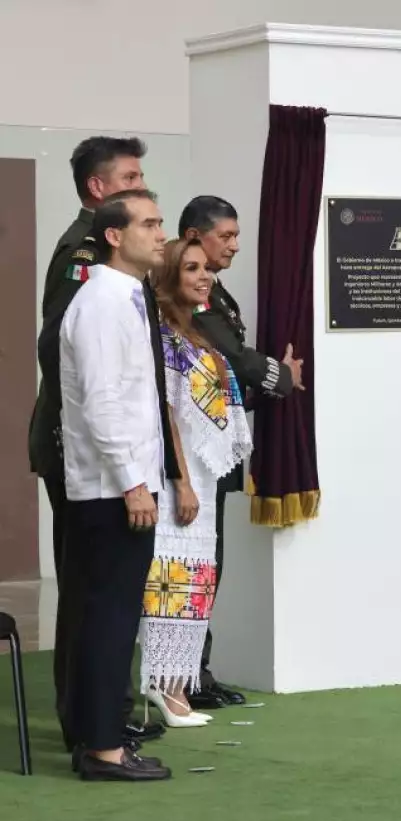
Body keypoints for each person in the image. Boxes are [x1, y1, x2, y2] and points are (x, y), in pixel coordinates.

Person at [29, 136, 173, 752]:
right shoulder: (85, 259)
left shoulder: (123, 277)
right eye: (132, 179)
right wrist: (117, 467)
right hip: (84, 450)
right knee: (94, 596)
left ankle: (104, 714)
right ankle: (88, 721)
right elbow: (77, 367)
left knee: (110, 596)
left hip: (112, 454)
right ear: (100, 190)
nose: (143, 190)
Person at [59, 188, 172, 780]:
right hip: (110, 487)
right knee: (110, 616)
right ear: (113, 235)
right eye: (149, 223)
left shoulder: (124, 296)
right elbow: (102, 404)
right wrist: (133, 483)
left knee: (110, 613)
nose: (161, 233)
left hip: (118, 481)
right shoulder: (103, 301)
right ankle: (103, 748)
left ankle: (96, 736)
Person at [179, 195, 304, 708]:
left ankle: (196, 671)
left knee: (210, 563)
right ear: (193, 235)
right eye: (225, 236)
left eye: (235, 236)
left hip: (215, 445)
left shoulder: (215, 291)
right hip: (188, 452)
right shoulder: (187, 291)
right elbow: (229, 355)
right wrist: (281, 378)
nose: (233, 245)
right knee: (187, 564)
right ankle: (178, 676)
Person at [139, 238, 253, 726]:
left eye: (205, 268)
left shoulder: (197, 331)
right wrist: (181, 479)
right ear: (168, 276)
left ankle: (179, 682)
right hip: (177, 481)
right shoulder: (162, 337)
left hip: (202, 483)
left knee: (197, 584)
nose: (204, 276)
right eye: (191, 268)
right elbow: (165, 412)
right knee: (171, 581)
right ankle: (163, 687)